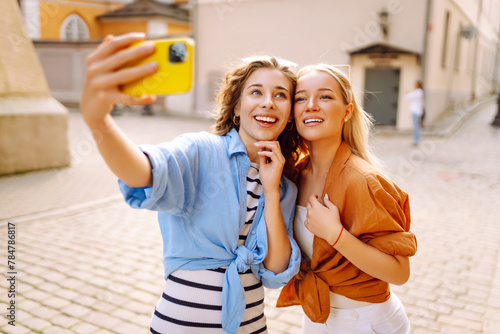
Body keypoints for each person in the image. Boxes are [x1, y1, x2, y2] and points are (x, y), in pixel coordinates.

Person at [80, 32, 302, 334]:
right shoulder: (202, 151)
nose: (268, 103)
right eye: (256, 92)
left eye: (280, 95)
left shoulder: (285, 186)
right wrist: (99, 122)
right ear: (236, 107)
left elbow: (276, 271)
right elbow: (143, 172)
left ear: (289, 115)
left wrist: (272, 190)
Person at [276, 64, 417, 333]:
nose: (312, 105)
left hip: (365, 321)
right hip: (317, 315)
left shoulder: (364, 180)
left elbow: (400, 272)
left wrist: (335, 234)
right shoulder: (294, 175)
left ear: (347, 111)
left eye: (325, 96)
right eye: (301, 98)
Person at [405, 81, 424, 145]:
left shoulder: (418, 92)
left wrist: (407, 92)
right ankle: (416, 139)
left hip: (415, 111)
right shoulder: (419, 92)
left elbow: (409, 96)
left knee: (416, 126)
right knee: (417, 126)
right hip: (417, 111)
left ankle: (416, 140)